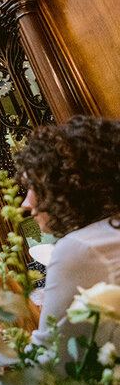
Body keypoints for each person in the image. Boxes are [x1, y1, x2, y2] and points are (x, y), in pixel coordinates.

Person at [16, 116, 120, 355]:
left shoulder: (80, 248)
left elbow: (49, 365)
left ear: (70, 182)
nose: (26, 203)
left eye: (34, 186)